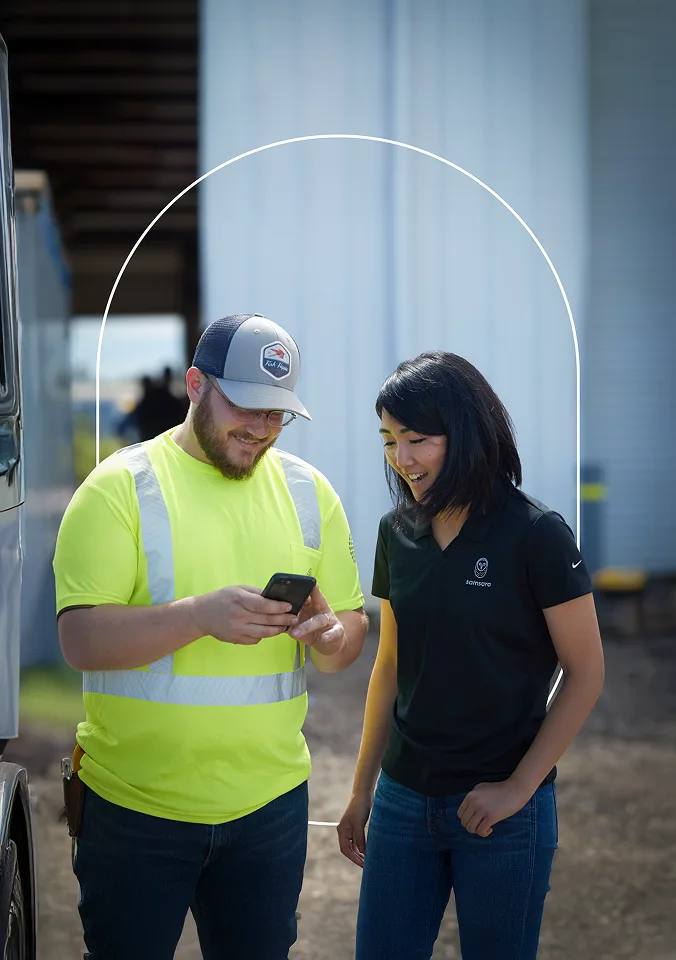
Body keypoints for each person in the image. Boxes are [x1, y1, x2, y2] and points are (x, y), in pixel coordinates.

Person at [54, 313, 368, 960]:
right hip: (135, 806)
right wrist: (197, 616)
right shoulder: (118, 490)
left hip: (270, 810)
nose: (261, 428)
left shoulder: (312, 494)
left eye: (277, 415)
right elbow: (80, 641)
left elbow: (351, 632)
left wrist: (332, 638)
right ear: (196, 384)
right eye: (246, 406)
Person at [337, 351, 604, 960]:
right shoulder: (395, 532)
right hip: (403, 802)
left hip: (502, 814)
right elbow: (390, 668)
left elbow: (586, 672)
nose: (402, 459)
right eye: (388, 440)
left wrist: (518, 787)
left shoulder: (536, 533)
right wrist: (362, 791)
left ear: (466, 434)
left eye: (418, 439)